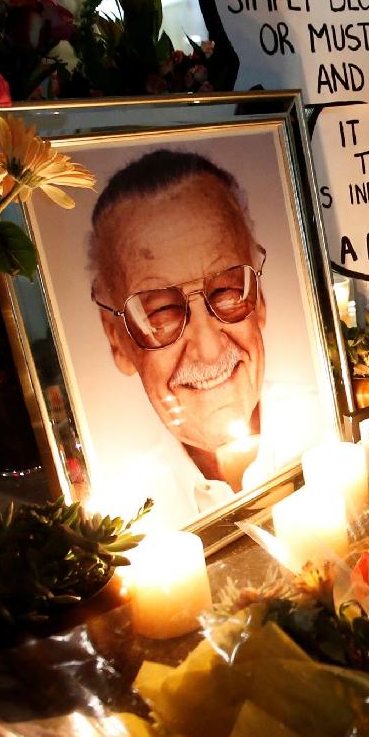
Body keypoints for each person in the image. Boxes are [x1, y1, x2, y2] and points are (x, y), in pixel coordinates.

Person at [88, 150, 270, 516]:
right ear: (117, 341)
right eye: (161, 312)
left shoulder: (329, 428)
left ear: (259, 298)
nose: (208, 349)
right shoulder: (118, 519)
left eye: (226, 290)